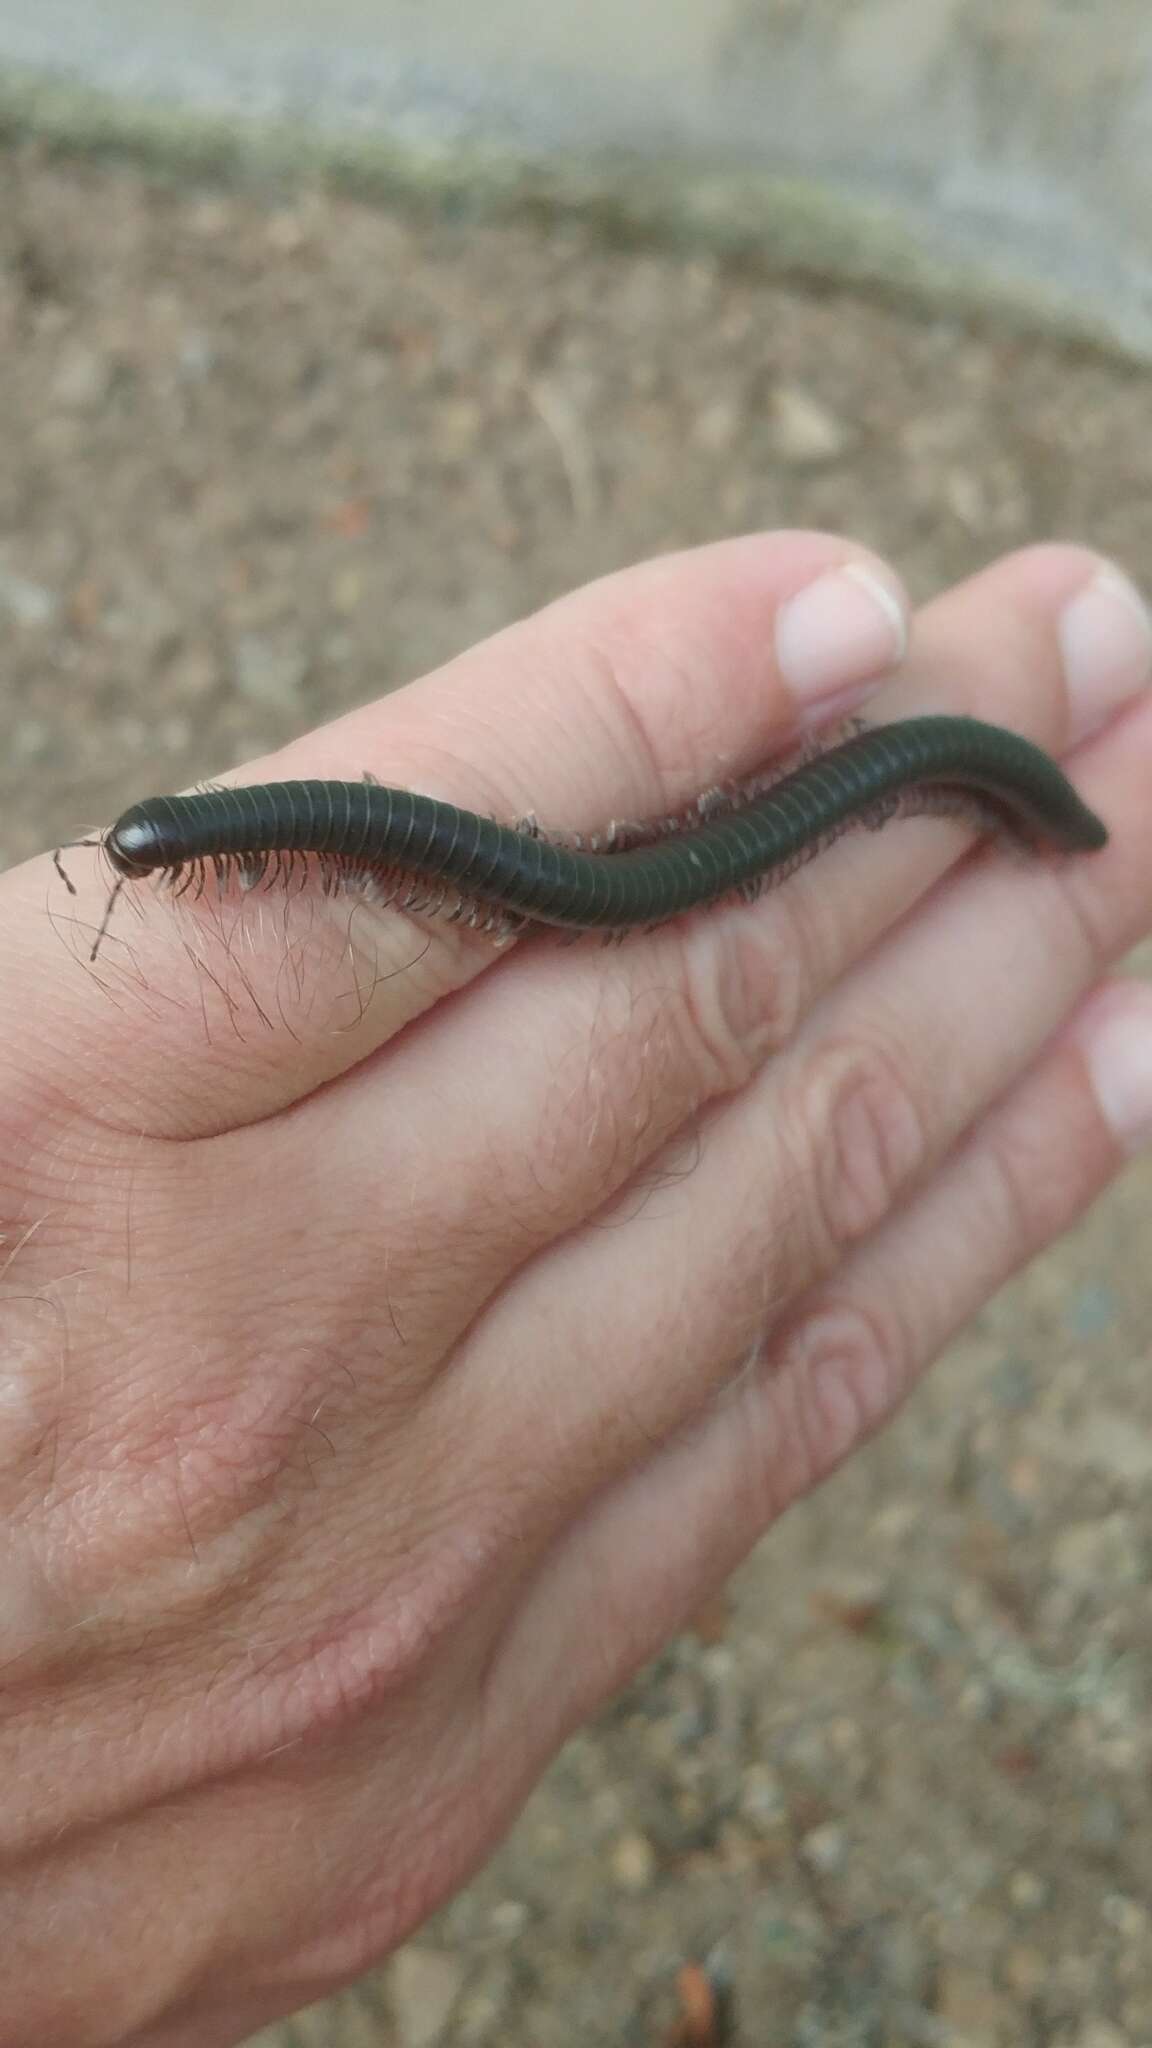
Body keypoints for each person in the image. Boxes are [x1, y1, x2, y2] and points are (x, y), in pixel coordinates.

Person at [3, 531, 1151, 2046]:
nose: (151, 862)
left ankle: (1024, 800)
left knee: (831, 802)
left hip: (958, 783)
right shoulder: (232, 847)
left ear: (209, 847)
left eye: (161, 852)